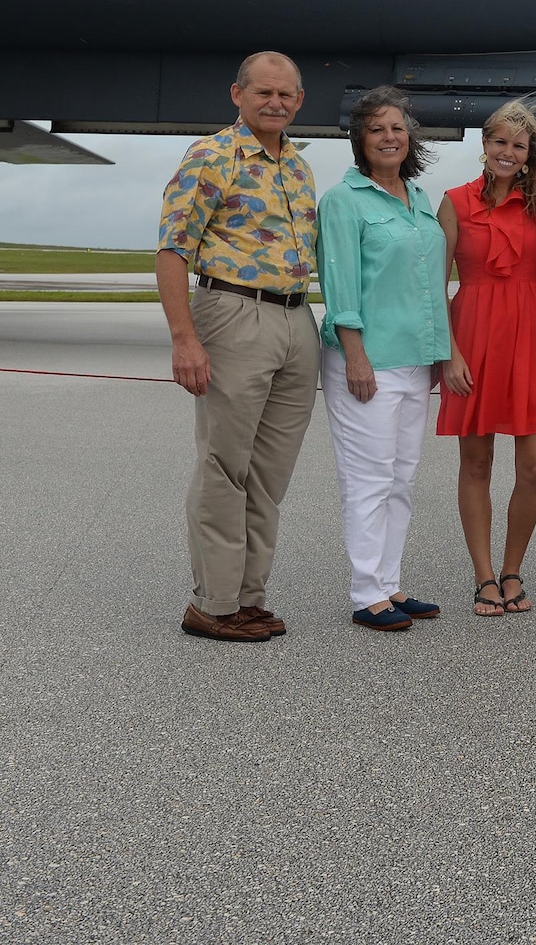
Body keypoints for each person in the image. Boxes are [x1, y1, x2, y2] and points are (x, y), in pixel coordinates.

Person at [155, 51, 320, 643]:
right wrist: (185, 340)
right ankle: (214, 602)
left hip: (295, 318)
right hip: (233, 313)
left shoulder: (297, 167)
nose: (275, 103)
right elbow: (173, 249)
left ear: (300, 101)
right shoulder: (212, 156)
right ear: (237, 95)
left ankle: (249, 597)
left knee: (268, 472)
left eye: (286, 95)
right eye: (263, 93)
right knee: (225, 466)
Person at [315, 87, 453, 631]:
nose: (389, 137)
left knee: (401, 478)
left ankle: (390, 583)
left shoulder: (419, 199)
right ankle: (365, 591)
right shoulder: (344, 200)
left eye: (397, 128)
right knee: (368, 479)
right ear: (360, 140)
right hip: (366, 360)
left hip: (414, 360)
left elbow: (427, 285)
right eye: (377, 129)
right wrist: (354, 354)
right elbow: (339, 283)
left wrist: (439, 352)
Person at [437, 100, 536, 617]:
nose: (507, 152)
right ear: (485, 146)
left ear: (528, 154)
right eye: (499, 142)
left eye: (518, 145)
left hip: (529, 333)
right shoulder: (452, 202)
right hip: (472, 333)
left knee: (534, 466)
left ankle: (514, 569)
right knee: (477, 462)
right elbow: (434, 283)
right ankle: (484, 576)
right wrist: (449, 353)